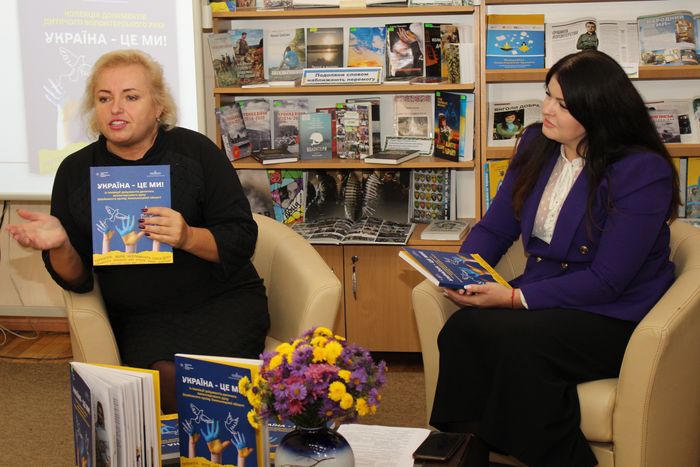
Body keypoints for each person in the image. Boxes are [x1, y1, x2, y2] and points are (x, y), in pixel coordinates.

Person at [430, 50, 680, 467]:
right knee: (462, 331)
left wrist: (513, 299)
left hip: (613, 313)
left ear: (598, 110)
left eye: (563, 104)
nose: (547, 109)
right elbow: (496, 228)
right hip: (547, 295)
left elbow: (607, 279)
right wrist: (462, 271)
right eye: (548, 95)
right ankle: (465, 455)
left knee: (520, 349)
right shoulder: (536, 144)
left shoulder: (640, 170)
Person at [6, 49, 270, 414]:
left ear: (159, 106)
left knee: (209, 381)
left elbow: (241, 238)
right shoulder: (75, 170)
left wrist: (187, 236)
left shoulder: (196, 152)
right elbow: (78, 279)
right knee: (169, 377)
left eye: (130, 97)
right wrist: (60, 245)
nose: (116, 108)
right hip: (141, 316)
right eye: (104, 98)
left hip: (221, 301)